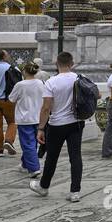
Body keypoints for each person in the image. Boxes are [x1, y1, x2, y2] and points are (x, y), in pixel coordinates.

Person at [32, 51, 87, 202]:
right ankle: (75, 191)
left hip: (56, 123)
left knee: (52, 156)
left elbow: (46, 108)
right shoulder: (79, 78)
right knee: (75, 156)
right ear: (71, 64)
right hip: (76, 122)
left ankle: (44, 187)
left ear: (57, 64)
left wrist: (41, 128)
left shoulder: (51, 82)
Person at [9, 62, 46, 178]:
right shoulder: (40, 83)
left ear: (24, 71)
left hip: (25, 118)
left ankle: (34, 168)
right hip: (38, 117)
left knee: (28, 144)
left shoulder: (20, 85)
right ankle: (25, 164)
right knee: (33, 143)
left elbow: (11, 99)